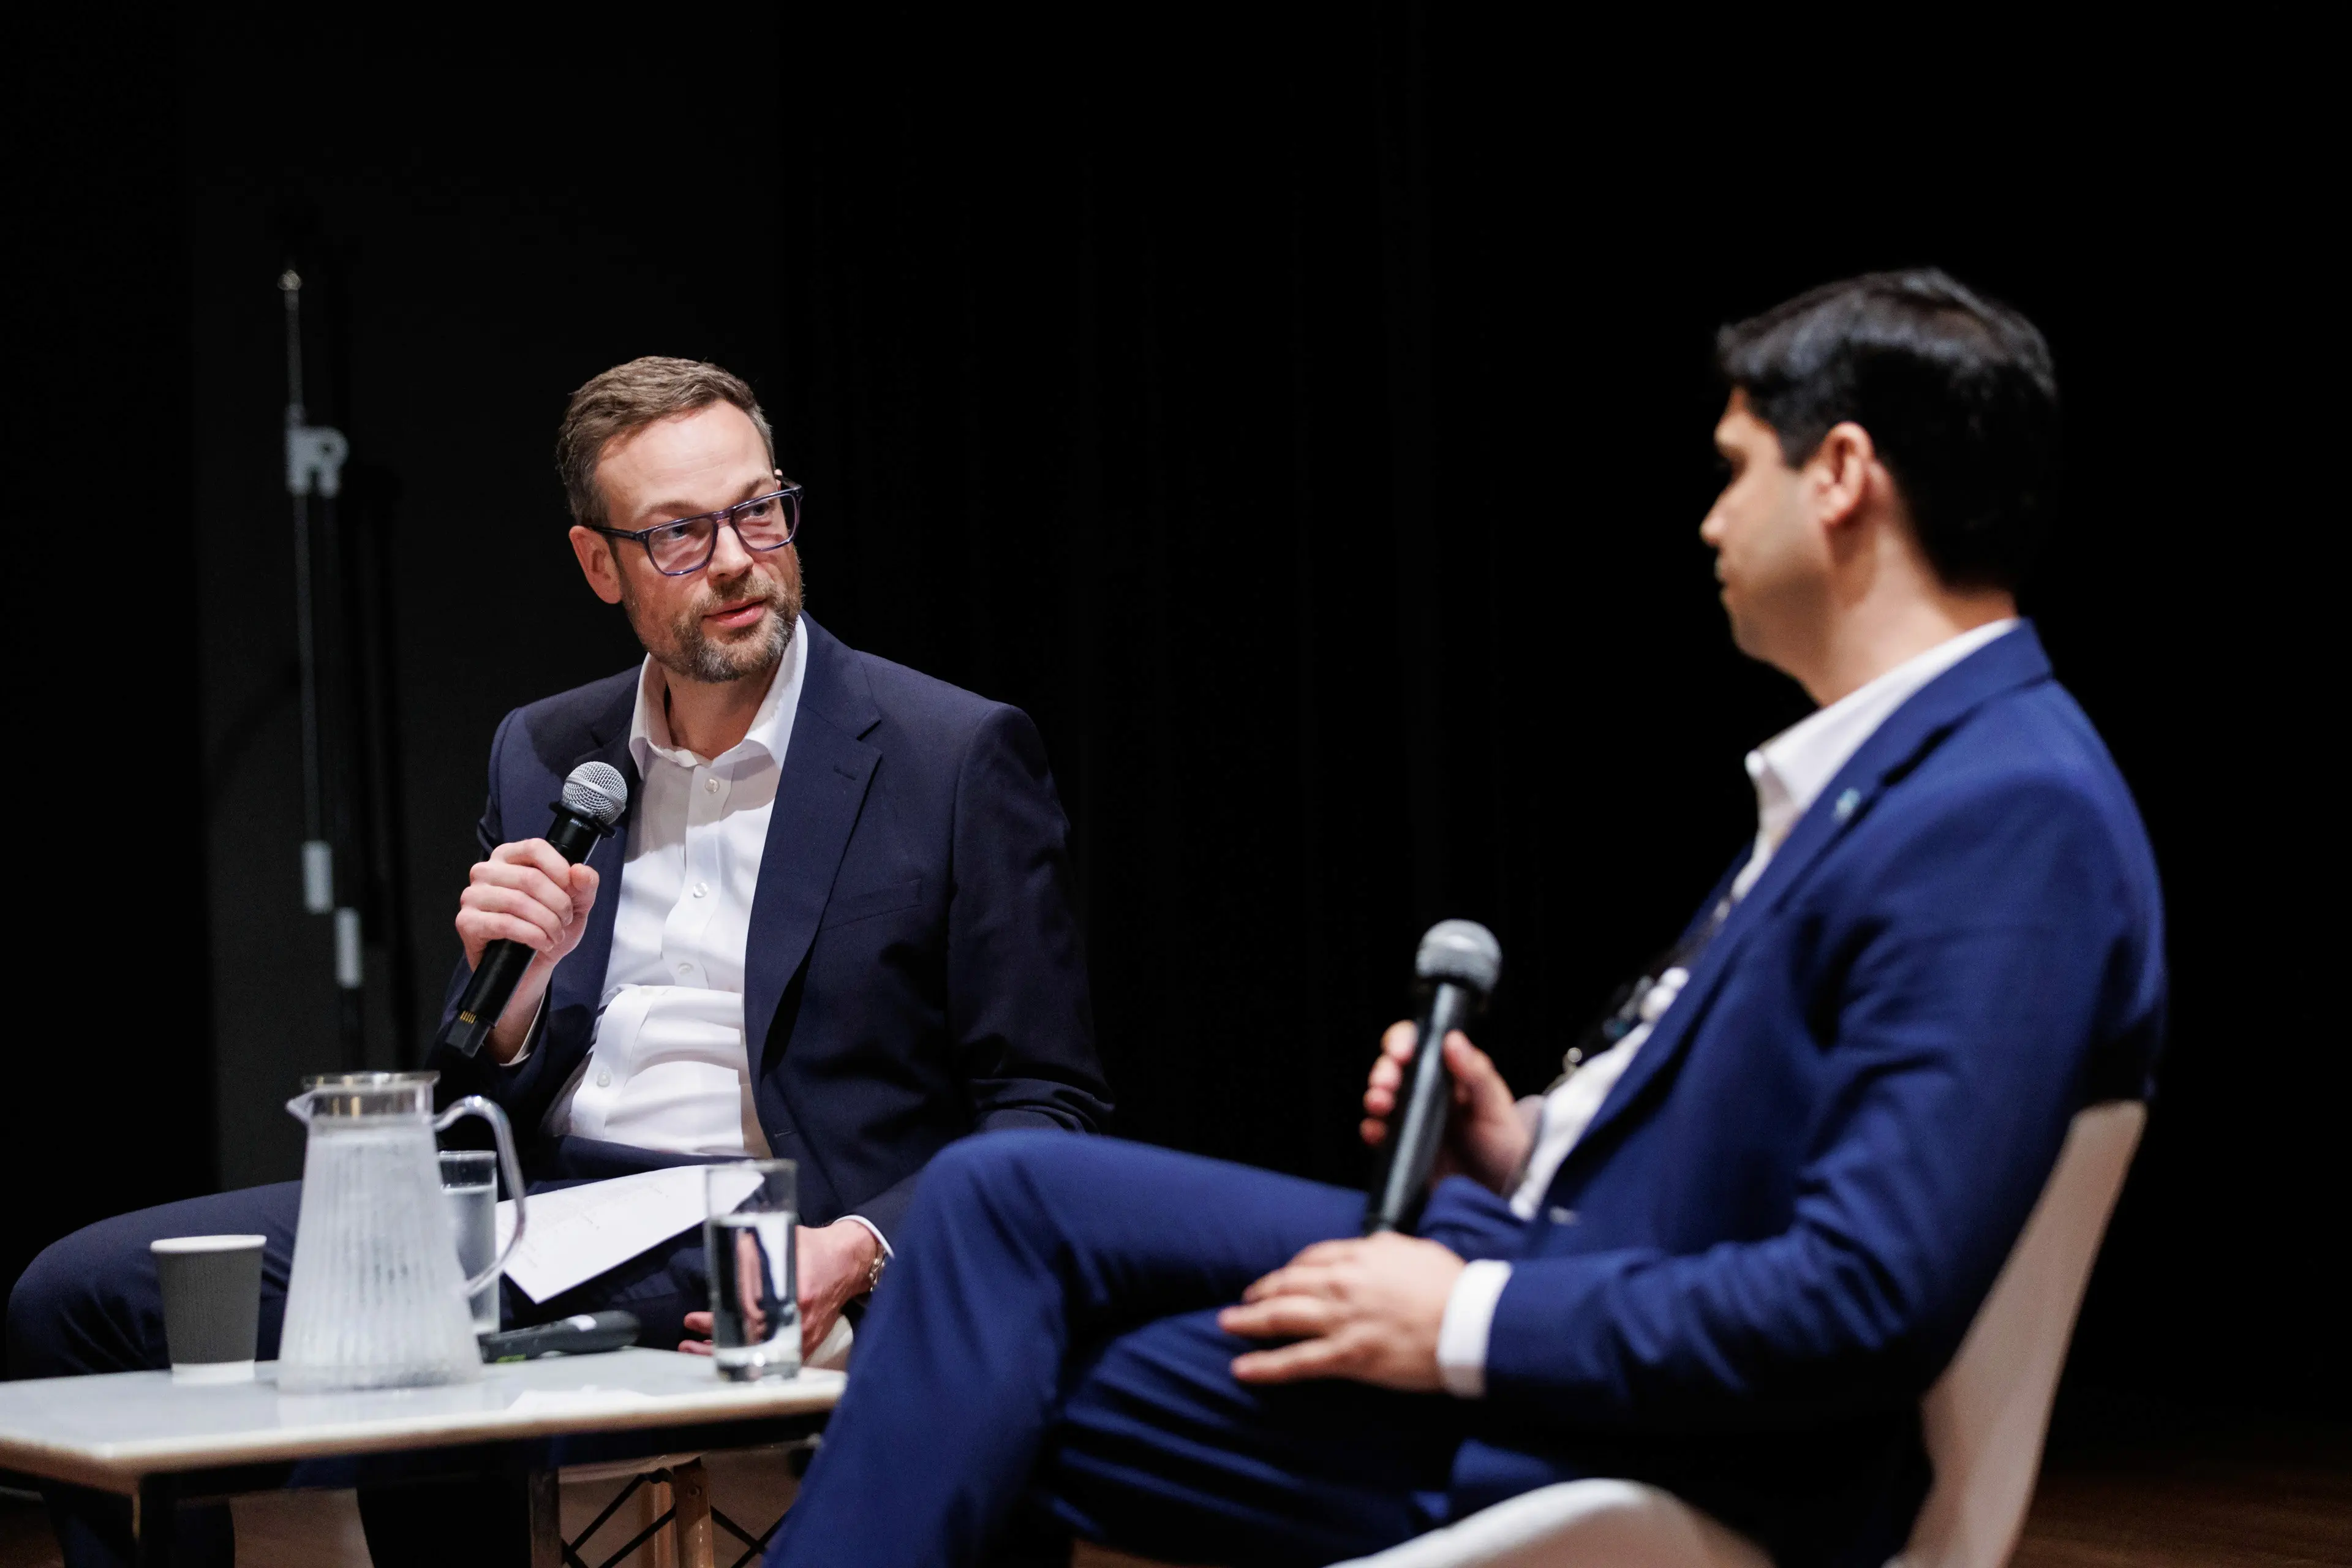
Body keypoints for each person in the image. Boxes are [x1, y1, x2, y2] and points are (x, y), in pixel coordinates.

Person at [764, 271, 2166, 1568]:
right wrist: (1525, 1141)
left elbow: (1864, 1297)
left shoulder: (2004, 809)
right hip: (1568, 1260)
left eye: (1739, 472)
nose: (1712, 520)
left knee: (997, 1366)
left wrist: (1459, 1320)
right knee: (992, 1209)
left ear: (1846, 475)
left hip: (1681, 1433)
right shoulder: (1908, 769)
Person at [7, 357, 1112, 1567]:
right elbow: (465, 1098)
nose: (739, 559)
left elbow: (1048, 1108)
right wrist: (515, 1004)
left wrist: (864, 1243)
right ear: (603, 564)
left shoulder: (949, 753)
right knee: (81, 1294)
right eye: (682, 534)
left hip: (762, 1212)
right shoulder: (545, 750)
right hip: (538, 1204)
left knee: (430, 1343)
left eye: (758, 510)